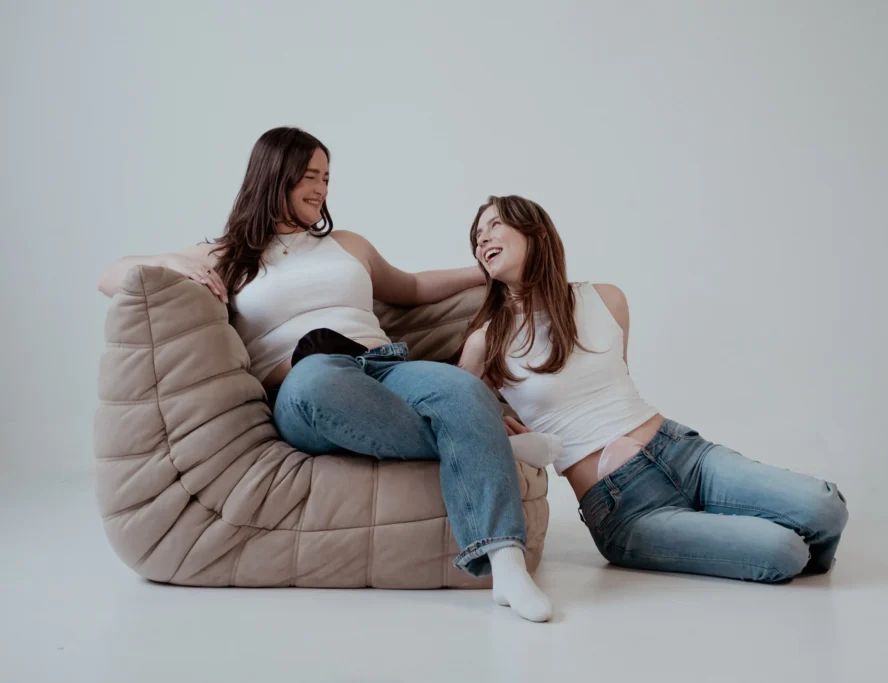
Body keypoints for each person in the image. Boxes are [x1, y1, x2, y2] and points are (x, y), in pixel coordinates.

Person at [97, 129, 553, 622]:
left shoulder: (347, 244)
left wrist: (482, 274)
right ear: (275, 177)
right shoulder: (227, 255)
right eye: (310, 177)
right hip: (305, 385)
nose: (322, 189)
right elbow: (111, 276)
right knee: (320, 380)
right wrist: (168, 260)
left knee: (462, 389)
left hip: (386, 367)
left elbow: (413, 287)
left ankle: (506, 565)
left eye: (327, 178)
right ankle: (482, 440)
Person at [458, 195, 849, 583]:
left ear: (537, 232)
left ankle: (731, 527)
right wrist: (507, 432)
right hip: (623, 507)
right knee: (783, 551)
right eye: (477, 236)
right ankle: (744, 536)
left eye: (494, 225)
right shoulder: (487, 342)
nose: (482, 239)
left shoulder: (606, 299)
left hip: (682, 452)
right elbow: (454, 418)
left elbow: (614, 385)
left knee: (826, 507)